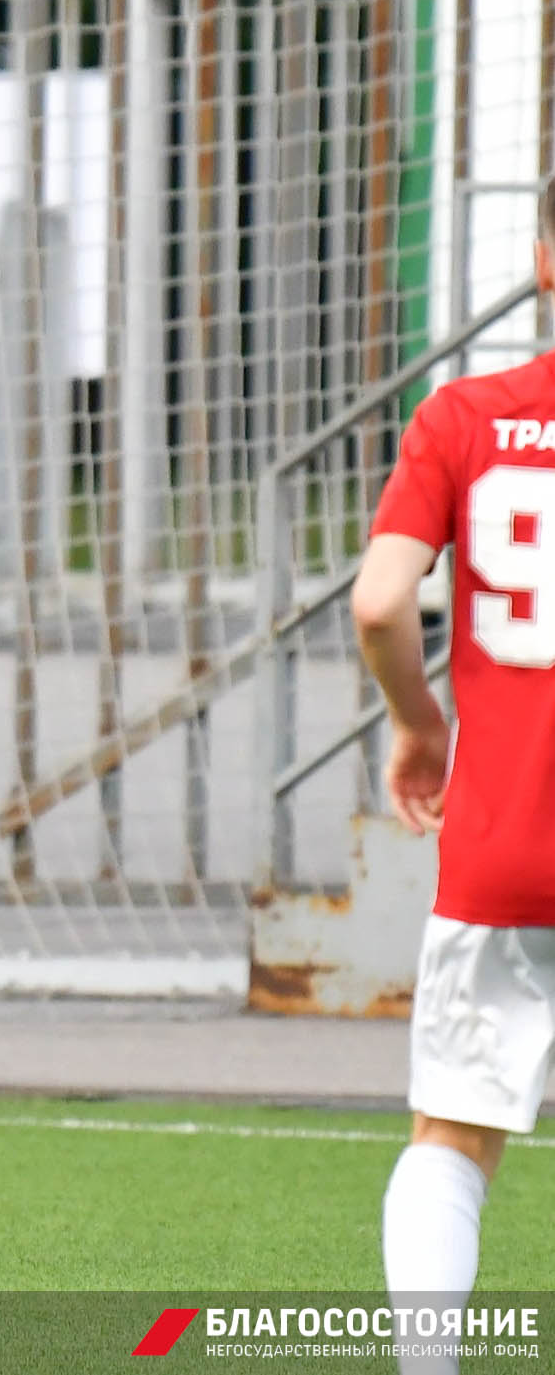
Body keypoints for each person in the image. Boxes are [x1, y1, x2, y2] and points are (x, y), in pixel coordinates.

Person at [352, 175, 555, 1374]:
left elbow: (381, 600)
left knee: (451, 1135)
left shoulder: (463, 417)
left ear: (543, 262)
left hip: (503, 850)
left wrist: (417, 722)